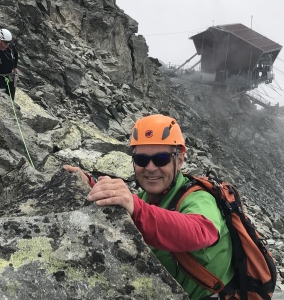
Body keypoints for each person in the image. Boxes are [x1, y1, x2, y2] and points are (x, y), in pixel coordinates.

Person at [64, 114, 234, 300]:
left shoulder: (198, 198)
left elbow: (202, 230)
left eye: (161, 159)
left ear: (180, 160)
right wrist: (89, 186)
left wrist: (136, 208)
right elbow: (128, 212)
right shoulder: (148, 197)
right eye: (142, 160)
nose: (151, 168)